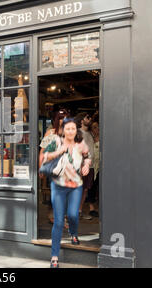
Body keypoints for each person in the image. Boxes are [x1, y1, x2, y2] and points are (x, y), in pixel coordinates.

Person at [41, 118, 91, 268]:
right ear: (63, 130)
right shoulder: (55, 141)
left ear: (77, 130)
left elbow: (88, 157)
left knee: (73, 215)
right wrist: (58, 151)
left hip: (76, 185)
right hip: (58, 185)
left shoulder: (81, 144)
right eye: (68, 129)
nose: (70, 131)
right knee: (58, 221)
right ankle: (54, 256)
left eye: (73, 129)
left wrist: (87, 165)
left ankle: (73, 233)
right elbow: (45, 156)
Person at [39, 109, 69, 225]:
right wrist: (40, 166)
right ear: (57, 119)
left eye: (66, 117)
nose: (64, 120)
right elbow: (42, 151)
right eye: (61, 118)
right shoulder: (50, 133)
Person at [74, 112, 95, 220]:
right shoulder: (78, 133)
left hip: (90, 166)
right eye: (87, 117)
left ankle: (79, 211)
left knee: (85, 189)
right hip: (80, 165)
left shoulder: (90, 133)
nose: (90, 119)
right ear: (81, 120)